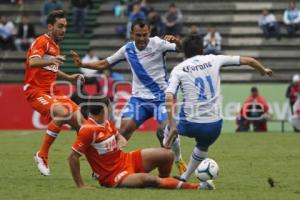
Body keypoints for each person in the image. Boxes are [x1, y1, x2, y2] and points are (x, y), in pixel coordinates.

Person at [71, 19, 187, 175]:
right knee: (123, 130)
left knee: (166, 130)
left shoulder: (159, 43)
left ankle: (178, 159)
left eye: (144, 35)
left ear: (149, 32)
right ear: (132, 33)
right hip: (138, 100)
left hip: (160, 99)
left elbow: (181, 48)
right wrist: (82, 65)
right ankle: (108, 164)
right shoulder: (127, 49)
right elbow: (105, 63)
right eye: (137, 35)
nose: (141, 39)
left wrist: (177, 41)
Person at [163, 36, 272, 183]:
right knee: (203, 145)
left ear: (184, 52)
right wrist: (263, 70)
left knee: (166, 128)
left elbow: (169, 97)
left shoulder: (179, 69)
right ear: (202, 49)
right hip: (214, 126)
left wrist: (172, 125)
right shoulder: (214, 59)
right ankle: (185, 177)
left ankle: (177, 158)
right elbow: (250, 61)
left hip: (190, 123)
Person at [68, 96, 215, 190]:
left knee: (167, 155)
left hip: (125, 160)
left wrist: (121, 139)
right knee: (149, 180)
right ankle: (198, 187)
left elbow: (117, 135)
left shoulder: (105, 122)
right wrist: (81, 185)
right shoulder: (87, 130)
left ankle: (165, 182)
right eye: (110, 107)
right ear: (103, 110)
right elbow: (72, 157)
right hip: (113, 176)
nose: (112, 109)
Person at [23, 10, 85, 176]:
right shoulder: (41, 42)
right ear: (50, 26)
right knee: (62, 112)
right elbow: (33, 61)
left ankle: (98, 166)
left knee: (83, 124)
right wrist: (51, 59)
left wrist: (69, 77)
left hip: (52, 91)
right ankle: (42, 155)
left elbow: (52, 68)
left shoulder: (56, 46)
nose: (63, 29)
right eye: (60, 26)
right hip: (35, 91)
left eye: (65, 26)